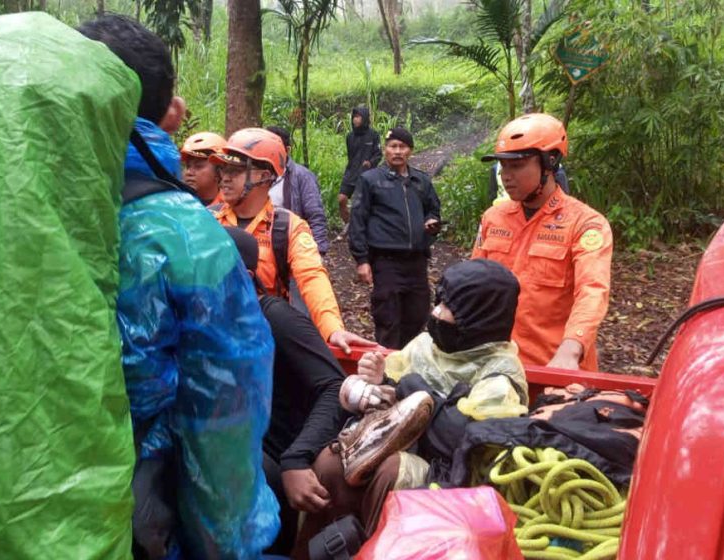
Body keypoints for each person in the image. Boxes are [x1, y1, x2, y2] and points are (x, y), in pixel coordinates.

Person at [78, 15, 279, 559]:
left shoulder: (31, 198)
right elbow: (230, 393)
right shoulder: (188, 232)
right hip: (166, 501)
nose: (217, 175)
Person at [292, 259, 528, 559]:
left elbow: (467, 440)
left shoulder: (501, 376)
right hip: (400, 443)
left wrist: (414, 390)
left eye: (449, 307)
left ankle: (376, 550)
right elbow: (396, 376)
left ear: (479, 316)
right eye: (439, 301)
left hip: (456, 476)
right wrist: (379, 378)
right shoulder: (430, 344)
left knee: (396, 471)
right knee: (330, 464)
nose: (436, 313)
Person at [223, 226, 350, 555]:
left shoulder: (275, 317)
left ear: (245, 275)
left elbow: (334, 386)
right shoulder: (212, 325)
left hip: (276, 463)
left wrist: (297, 458)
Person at [209, 127, 375, 354]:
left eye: (235, 170)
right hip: (209, 338)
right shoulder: (207, 220)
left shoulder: (288, 227)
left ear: (264, 176)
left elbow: (312, 275)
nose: (225, 178)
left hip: (262, 343)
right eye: (223, 169)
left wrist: (333, 329)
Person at [472, 113, 613, 371]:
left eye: (517, 165)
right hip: (496, 368)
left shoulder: (585, 224)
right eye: (503, 166)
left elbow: (592, 291)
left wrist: (570, 352)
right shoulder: (493, 218)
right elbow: (471, 285)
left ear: (549, 163)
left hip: (554, 369)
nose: (506, 176)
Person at [348, 127, 442, 349]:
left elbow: (433, 209)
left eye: (402, 147)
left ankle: (407, 365)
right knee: (387, 317)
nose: (397, 151)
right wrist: (361, 260)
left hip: (417, 261)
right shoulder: (370, 180)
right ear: (385, 149)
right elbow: (358, 219)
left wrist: (431, 222)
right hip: (386, 260)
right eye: (393, 146)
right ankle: (386, 370)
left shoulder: (421, 180)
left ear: (410, 150)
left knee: (418, 315)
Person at [265, 125, 330, 256]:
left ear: (287, 150)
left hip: (291, 246)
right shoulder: (254, 174)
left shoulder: (302, 176)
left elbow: (315, 215)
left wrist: (317, 252)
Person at [339, 106, 382, 223]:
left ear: (365, 118)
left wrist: (370, 162)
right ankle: (349, 224)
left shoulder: (373, 135)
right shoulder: (350, 137)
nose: (355, 120)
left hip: (366, 174)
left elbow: (378, 154)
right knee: (341, 199)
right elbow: (350, 156)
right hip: (351, 172)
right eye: (354, 117)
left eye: (358, 117)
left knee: (358, 204)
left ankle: (352, 230)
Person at [180, 131, 226, 205]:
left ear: (219, 171)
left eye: (198, 166)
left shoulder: (233, 208)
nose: (189, 172)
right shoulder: (176, 205)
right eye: (188, 166)